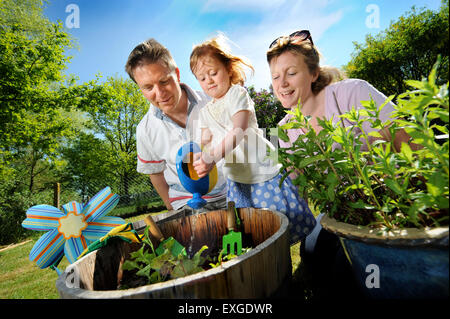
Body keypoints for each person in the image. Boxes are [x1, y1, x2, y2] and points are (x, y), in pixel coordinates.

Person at [266, 29, 412, 298]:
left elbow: (406, 141)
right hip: (342, 211)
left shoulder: (351, 92)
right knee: (313, 254)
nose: (281, 84)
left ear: (313, 74)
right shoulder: (283, 131)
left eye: (291, 73)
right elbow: (302, 188)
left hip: (390, 196)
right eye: (275, 76)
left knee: (350, 270)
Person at [189, 34, 316, 245]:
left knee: (279, 217)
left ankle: (309, 246)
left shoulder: (237, 94)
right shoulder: (205, 112)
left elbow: (238, 131)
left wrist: (212, 156)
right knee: (250, 225)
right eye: (202, 78)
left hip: (260, 168)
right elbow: (205, 140)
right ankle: (264, 258)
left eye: (213, 73)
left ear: (228, 70)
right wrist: (202, 156)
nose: (208, 80)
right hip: (237, 176)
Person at [124, 38, 227, 214]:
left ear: (177, 74)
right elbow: (155, 173)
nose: (160, 93)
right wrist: (172, 207)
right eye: (148, 87)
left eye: (164, 81)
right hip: (185, 203)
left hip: (229, 193)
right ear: (140, 89)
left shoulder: (214, 103)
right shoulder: (145, 130)